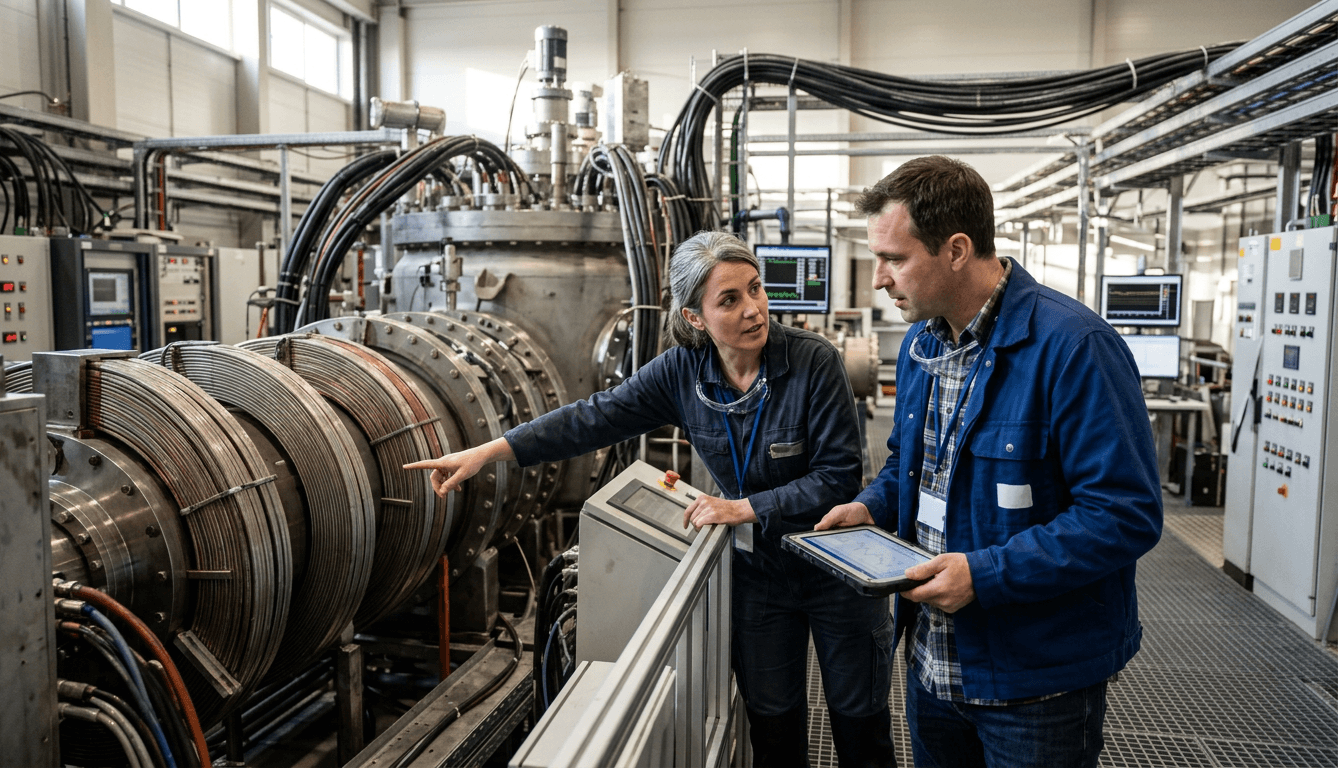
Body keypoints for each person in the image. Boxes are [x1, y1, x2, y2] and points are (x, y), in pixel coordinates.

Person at [406, 230, 896, 768]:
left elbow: (838, 476)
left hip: (834, 566)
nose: (754, 310)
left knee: (858, 723)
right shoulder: (682, 373)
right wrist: (490, 452)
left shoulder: (813, 362)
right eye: (729, 300)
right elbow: (593, 417)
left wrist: (743, 509)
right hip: (762, 578)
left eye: (755, 290)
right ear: (694, 318)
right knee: (773, 723)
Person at [817, 155, 1162, 768]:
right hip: (933, 664)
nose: (877, 279)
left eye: (894, 259)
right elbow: (911, 467)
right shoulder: (925, 345)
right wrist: (869, 508)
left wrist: (986, 575)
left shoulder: (1075, 348)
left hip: (1035, 683)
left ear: (955, 250)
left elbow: (1124, 514)